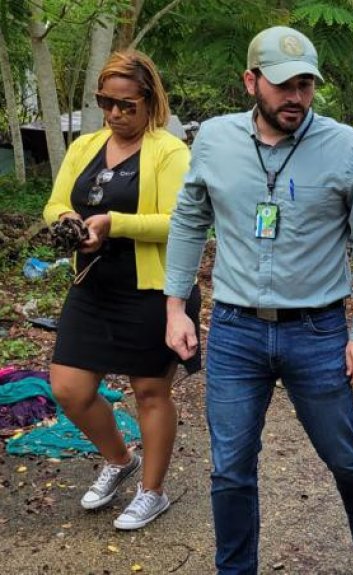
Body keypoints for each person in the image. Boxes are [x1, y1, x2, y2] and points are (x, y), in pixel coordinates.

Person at [163, 27, 353, 575]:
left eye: (306, 85)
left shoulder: (346, 147)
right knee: (230, 468)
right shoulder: (216, 141)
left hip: (315, 332)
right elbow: (190, 218)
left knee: (344, 454)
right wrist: (176, 305)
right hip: (235, 329)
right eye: (283, 84)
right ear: (251, 82)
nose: (295, 97)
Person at [41, 50, 199, 530]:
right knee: (69, 388)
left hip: (152, 289)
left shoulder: (170, 151)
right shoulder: (85, 145)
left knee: (150, 391)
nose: (115, 114)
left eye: (126, 105)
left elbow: (183, 222)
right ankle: (119, 458)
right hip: (93, 285)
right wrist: (67, 219)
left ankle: (152, 491)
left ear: (150, 102)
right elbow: (54, 202)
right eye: (106, 102)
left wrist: (116, 224)